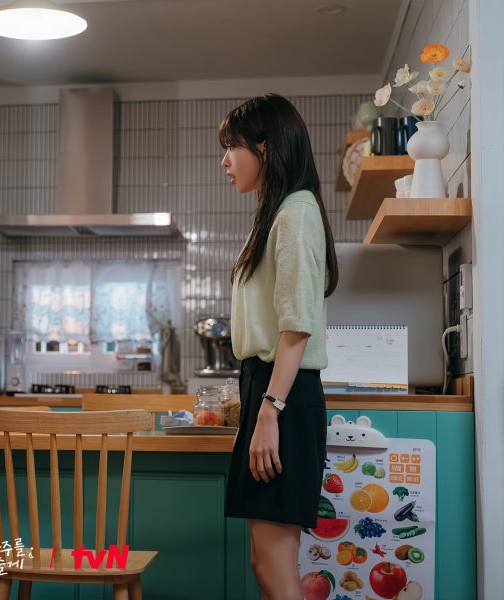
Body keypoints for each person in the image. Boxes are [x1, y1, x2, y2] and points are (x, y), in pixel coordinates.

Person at [219, 94, 339, 600]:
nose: (225, 161)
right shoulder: (280, 214)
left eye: (232, 147)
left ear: (265, 148)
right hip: (272, 393)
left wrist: (270, 410)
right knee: (266, 562)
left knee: (273, 567)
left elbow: (297, 328)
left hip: (282, 395)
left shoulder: (295, 214)